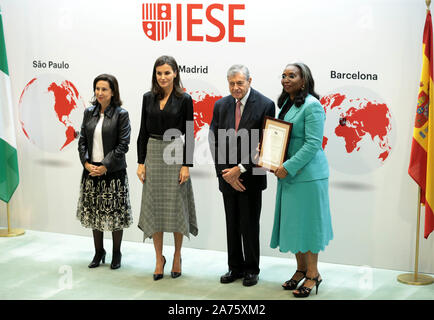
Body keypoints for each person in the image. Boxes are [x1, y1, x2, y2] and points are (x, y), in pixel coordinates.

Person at [270, 62, 333, 298]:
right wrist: (269, 154)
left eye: (292, 76)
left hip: (308, 177)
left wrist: (287, 166)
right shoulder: (286, 104)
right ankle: (300, 269)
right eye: (284, 75)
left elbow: (313, 143)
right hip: (289, 176)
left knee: (308, 226)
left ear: (304, 80)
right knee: (294, 226)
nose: (286, 79)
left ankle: (313, 274)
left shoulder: (313, 106)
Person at [209, 64, 275, 287]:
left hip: (250, 177)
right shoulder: (220, 105)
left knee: (249, 225)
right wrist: (225, 173)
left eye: (240, 83)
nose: (236, 87)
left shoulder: (266, 104)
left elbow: (265, 144)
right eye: (232, 83)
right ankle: (234, 268)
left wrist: (240, 168)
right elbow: (214, 140)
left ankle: (251, 269)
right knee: (232, 224)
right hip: (227, 176)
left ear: (250, 81)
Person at [137, 55, 198, 281]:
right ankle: (158, 258)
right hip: (152, 152)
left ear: (175, 74)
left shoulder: (185, 99)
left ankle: (177, 256)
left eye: (167, 73)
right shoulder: (147, 98)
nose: (163, 77)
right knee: (155, 208)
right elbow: (143, 131)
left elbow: (190, 133)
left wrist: (186, 165)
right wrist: (140, 162)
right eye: (159, 73)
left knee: (175, 207)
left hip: (175, 152)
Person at [77, 74, 132, 270]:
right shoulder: (88, 112)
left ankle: (116, 253)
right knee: (95, 213)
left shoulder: (121, 114)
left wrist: (105, 166)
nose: (99, 93)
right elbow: (82, 140)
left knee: (115, 214)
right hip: (91, 170)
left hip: (113, 172)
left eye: (104, 89)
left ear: (113, 92)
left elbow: (123, 145)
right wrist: (85, 163)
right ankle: (99, 251)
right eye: (97, 89)